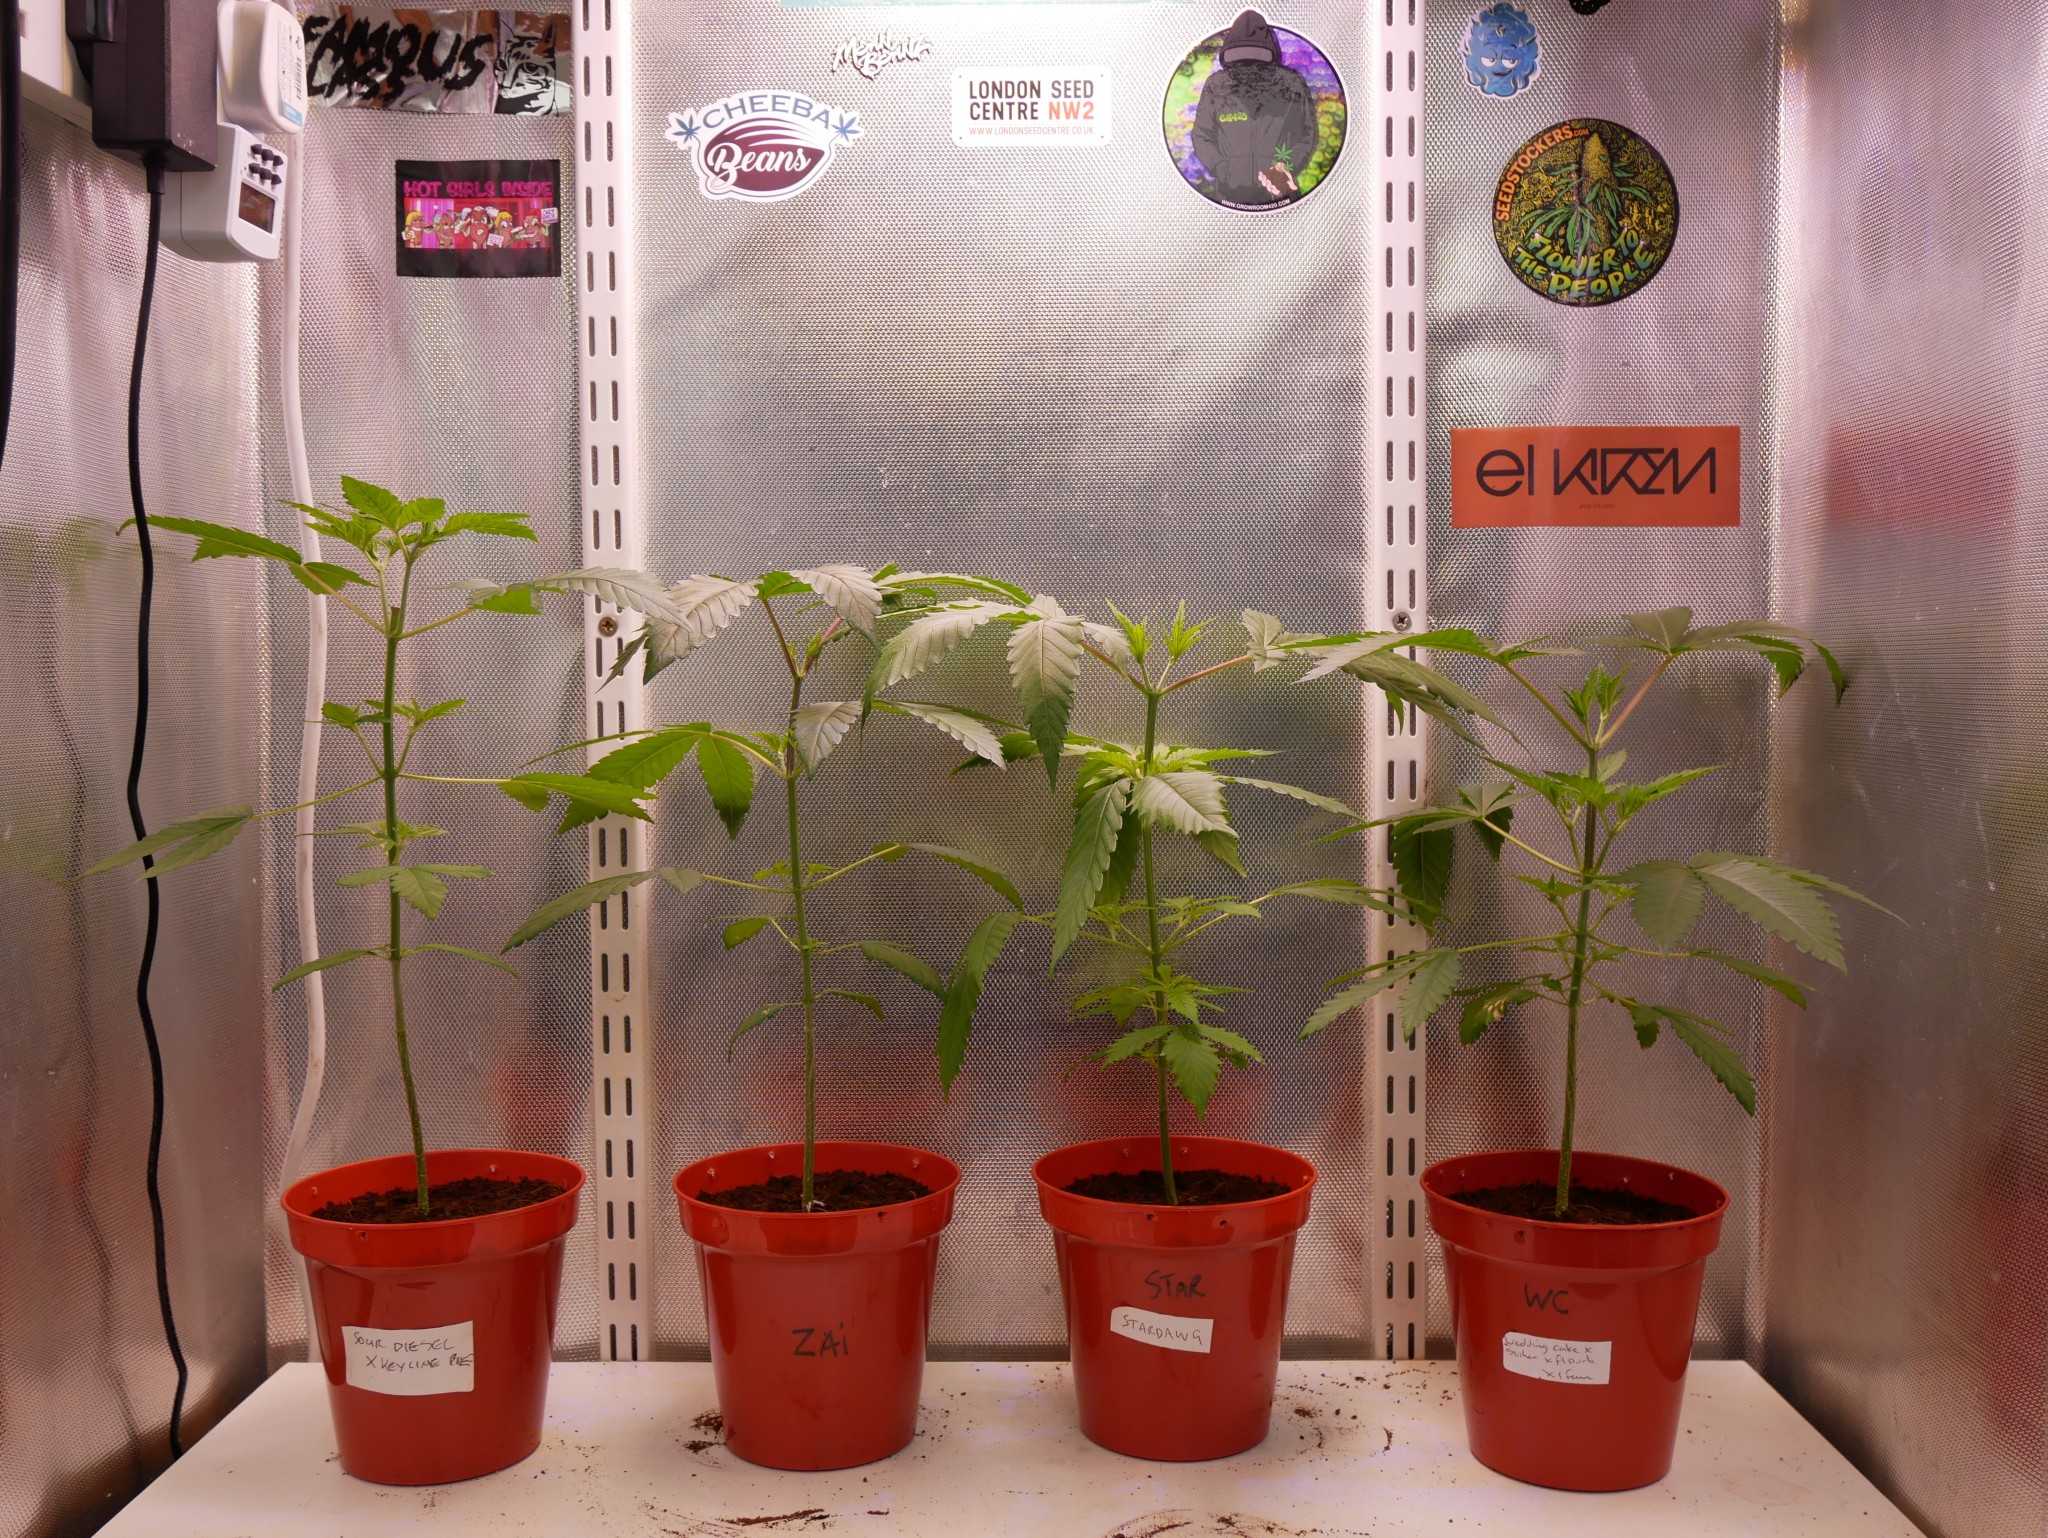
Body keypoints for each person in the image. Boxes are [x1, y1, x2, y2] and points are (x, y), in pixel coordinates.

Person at [1190, 10, 1319, 207]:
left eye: (1256, 55)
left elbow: (1307, 133)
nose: (1248, 63)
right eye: (1241, 55)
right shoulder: (1217, 85)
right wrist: (1223, 168)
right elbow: (1202, 134)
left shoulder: (1291, 84)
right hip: (1228, 197)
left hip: (1279, 194)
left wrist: (1287, 166)